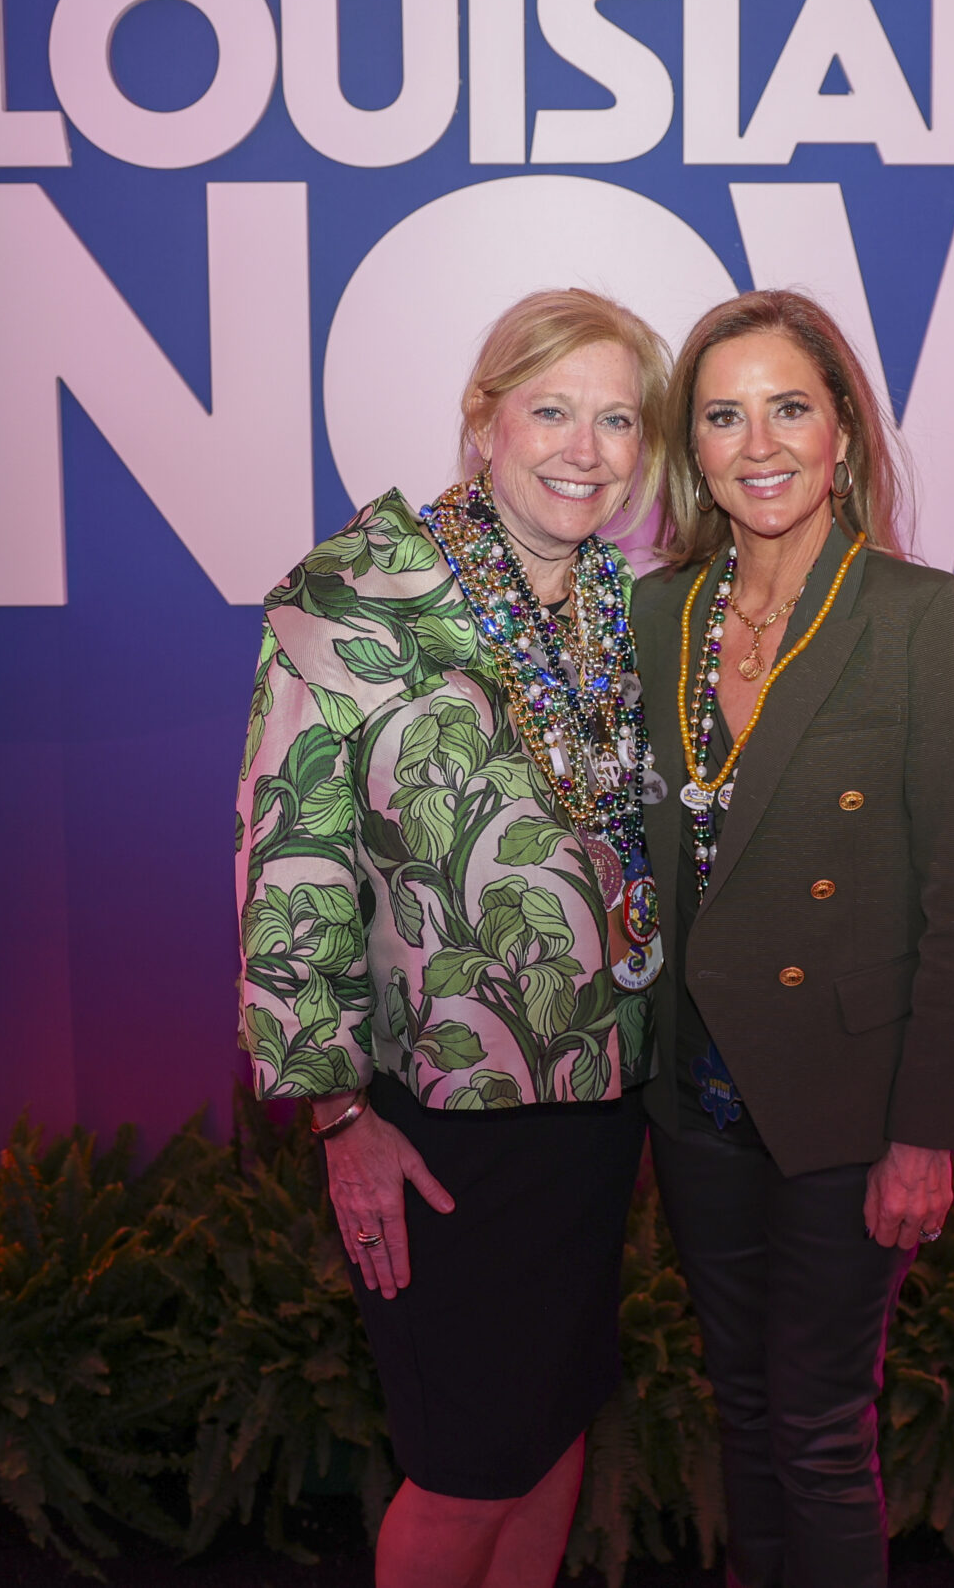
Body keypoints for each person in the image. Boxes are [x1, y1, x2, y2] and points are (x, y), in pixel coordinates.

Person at [234, 289, 672, 1588]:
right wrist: (338, 1119)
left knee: (550, 1433)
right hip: (436, 1113)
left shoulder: (621, 605)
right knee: (465, 1467)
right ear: (484, 422)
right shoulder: (354, 599)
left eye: (617, 420)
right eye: (553, 410)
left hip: (601, 1096)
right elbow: (290, 867)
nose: (586, 450)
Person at [633, 290, 954, 1588]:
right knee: (743, 1410)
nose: (760, 443)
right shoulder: (659, 617)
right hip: (694, 1098)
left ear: (842, 428)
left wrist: (926, 1132)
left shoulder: (919, 616)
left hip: (846, 1105)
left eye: (789, 406)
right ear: (693, 449)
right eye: (723, 415)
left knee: (819, 1430)